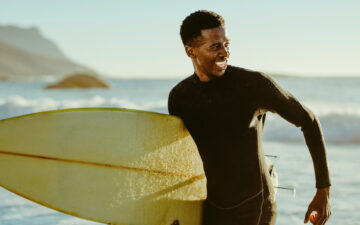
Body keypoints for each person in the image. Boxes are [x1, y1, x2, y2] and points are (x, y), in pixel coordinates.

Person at [168, 10, 331, 225]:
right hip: (214, 205)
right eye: (215, 47)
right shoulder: (180, 98)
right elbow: (184, 156)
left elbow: (308, 121)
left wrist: (323, 191)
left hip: (256, 206)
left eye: (227, 44)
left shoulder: (253, 85)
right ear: (191, 51)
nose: (225, 53)